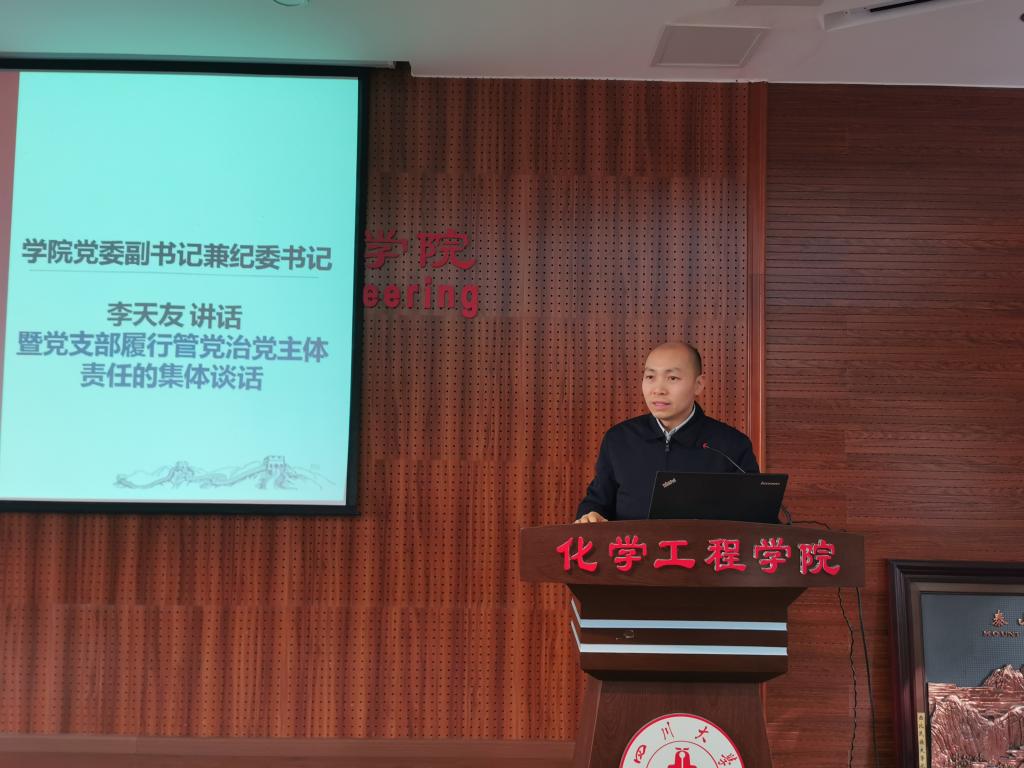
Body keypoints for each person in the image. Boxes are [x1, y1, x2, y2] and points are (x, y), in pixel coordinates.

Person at [575, 342, 758, 523]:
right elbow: (597, 502)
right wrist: (590, 516)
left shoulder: (732, 445)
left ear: (698, 384)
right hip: (633, 543)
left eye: (672, 378)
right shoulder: (619, 439)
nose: (658, 390)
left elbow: (754, 518)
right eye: (650, 377)